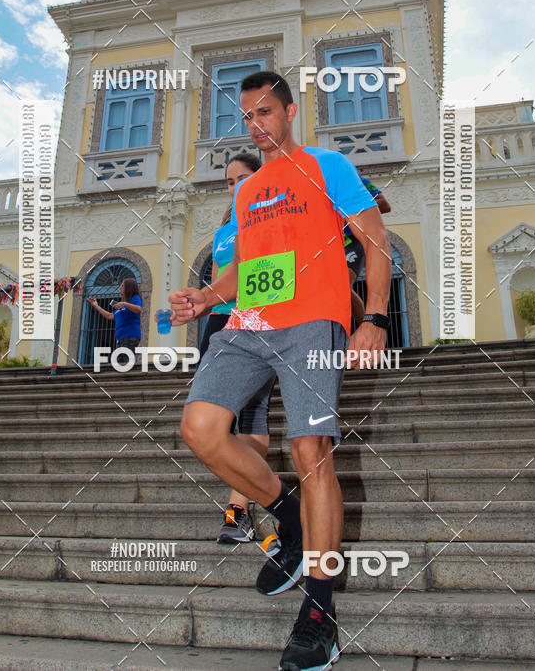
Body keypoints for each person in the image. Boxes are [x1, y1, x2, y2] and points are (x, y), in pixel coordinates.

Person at [169, 71, 391, 671]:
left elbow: (377, 242)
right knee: (201, 428)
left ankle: (319, 612)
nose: (255, 125)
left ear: (290, 111)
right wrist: (206, 296)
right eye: (246, 116)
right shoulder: (247, 192)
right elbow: (243, 268)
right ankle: (292, 519)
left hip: (314, 321)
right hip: (248, 325)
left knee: (310, 451)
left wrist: (374, 318)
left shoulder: (327, 167)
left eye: (265, 112)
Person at [198, 152, 278, 546]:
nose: (235, 188)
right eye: (229, 182)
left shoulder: (273, 214)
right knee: (209, 419)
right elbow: (217, 283)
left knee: (251, 413)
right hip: (220, 323)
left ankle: (238, 510)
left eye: (243, 178)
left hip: (257, 320)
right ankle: (263, 486)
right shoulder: (222, 231)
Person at [344, 175, 391, 328]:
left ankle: (369, 328)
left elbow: (384, 205)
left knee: (344, 285)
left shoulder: (357, 181)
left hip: (353, 240)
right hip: (329, 243)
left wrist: (351, 209)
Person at [87, 277, 143, 355]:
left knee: (124, 364)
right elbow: (110, 316)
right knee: (120, 363)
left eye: (122, 285)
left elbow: (139, 309)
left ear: (129, 288)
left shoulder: (135, 298)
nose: (120, 287)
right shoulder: (121, 305)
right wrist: (96, 306)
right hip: (121, 339)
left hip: (130, 336)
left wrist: (124, 304)